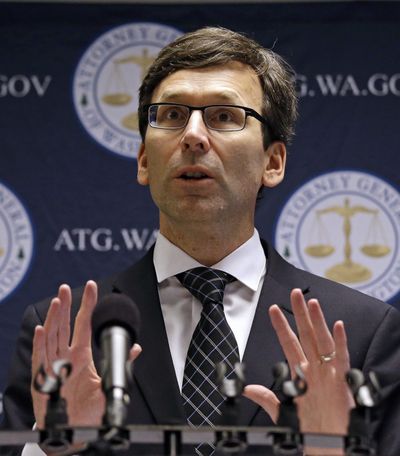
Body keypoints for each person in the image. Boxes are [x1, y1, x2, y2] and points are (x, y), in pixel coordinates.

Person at [1, 26, 400, 456]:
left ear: (273, 161)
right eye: (171, 115)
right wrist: (55, 448)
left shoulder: (361, 333)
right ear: (143, 161)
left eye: (224, 116)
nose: (192, 135)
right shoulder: (63, 332)